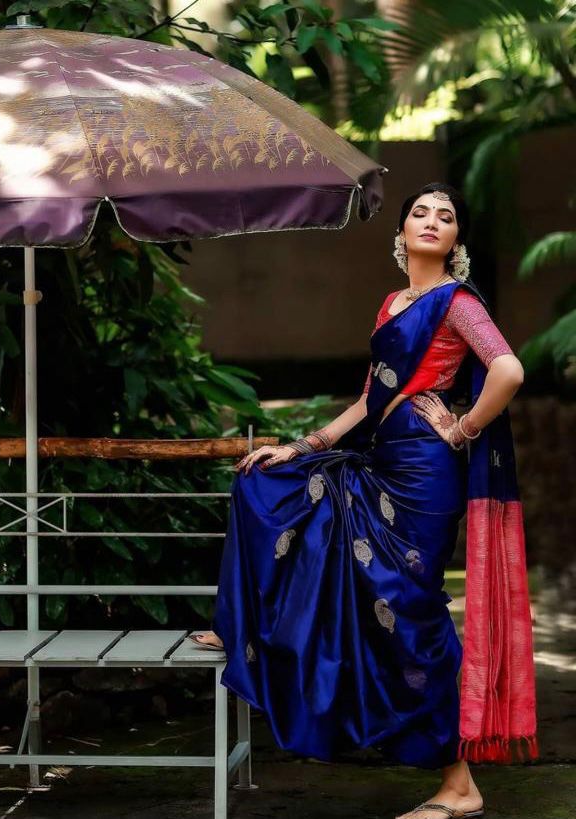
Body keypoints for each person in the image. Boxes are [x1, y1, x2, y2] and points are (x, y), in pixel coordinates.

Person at [189, 183, 538, 819]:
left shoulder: (457, 303)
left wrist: (462, 428)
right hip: (380, 461)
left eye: (446, 217)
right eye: (419, 213)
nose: (431, 222)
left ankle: (460, 785)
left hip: (425, 478)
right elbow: (366, 401)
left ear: (456, 239)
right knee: (262, 483)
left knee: (410, 612)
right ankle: (241, 625)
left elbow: (508, 370)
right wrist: (302, 446)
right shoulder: (392, 303)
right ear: (401, 232)